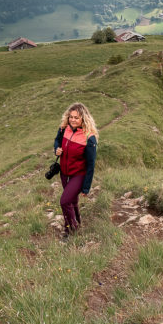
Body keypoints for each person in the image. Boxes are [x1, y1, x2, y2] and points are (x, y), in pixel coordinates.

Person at [52, 102, 98, 238]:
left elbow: (91, 165)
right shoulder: (63, 129)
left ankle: (71, 230)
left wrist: (86, 187)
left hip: (79, 174)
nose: (73, 120)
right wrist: (57, 149)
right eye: (71, 117)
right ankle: (77, 221)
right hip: (64, 173)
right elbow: (57, 141)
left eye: (76, 117)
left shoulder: (89, 138)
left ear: (83, 118)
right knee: (71, 201)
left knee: (64, 201)